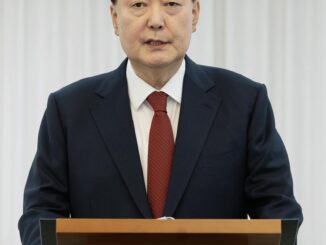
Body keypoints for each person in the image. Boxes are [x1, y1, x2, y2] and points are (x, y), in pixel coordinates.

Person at [18, 0, 303, 244]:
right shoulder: (69, 109)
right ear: (115, 18)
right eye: (139, 4)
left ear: (194, 15)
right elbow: (40, 215)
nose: (155, 20)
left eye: (171, 4)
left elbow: (278, 212)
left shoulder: (245, 103)